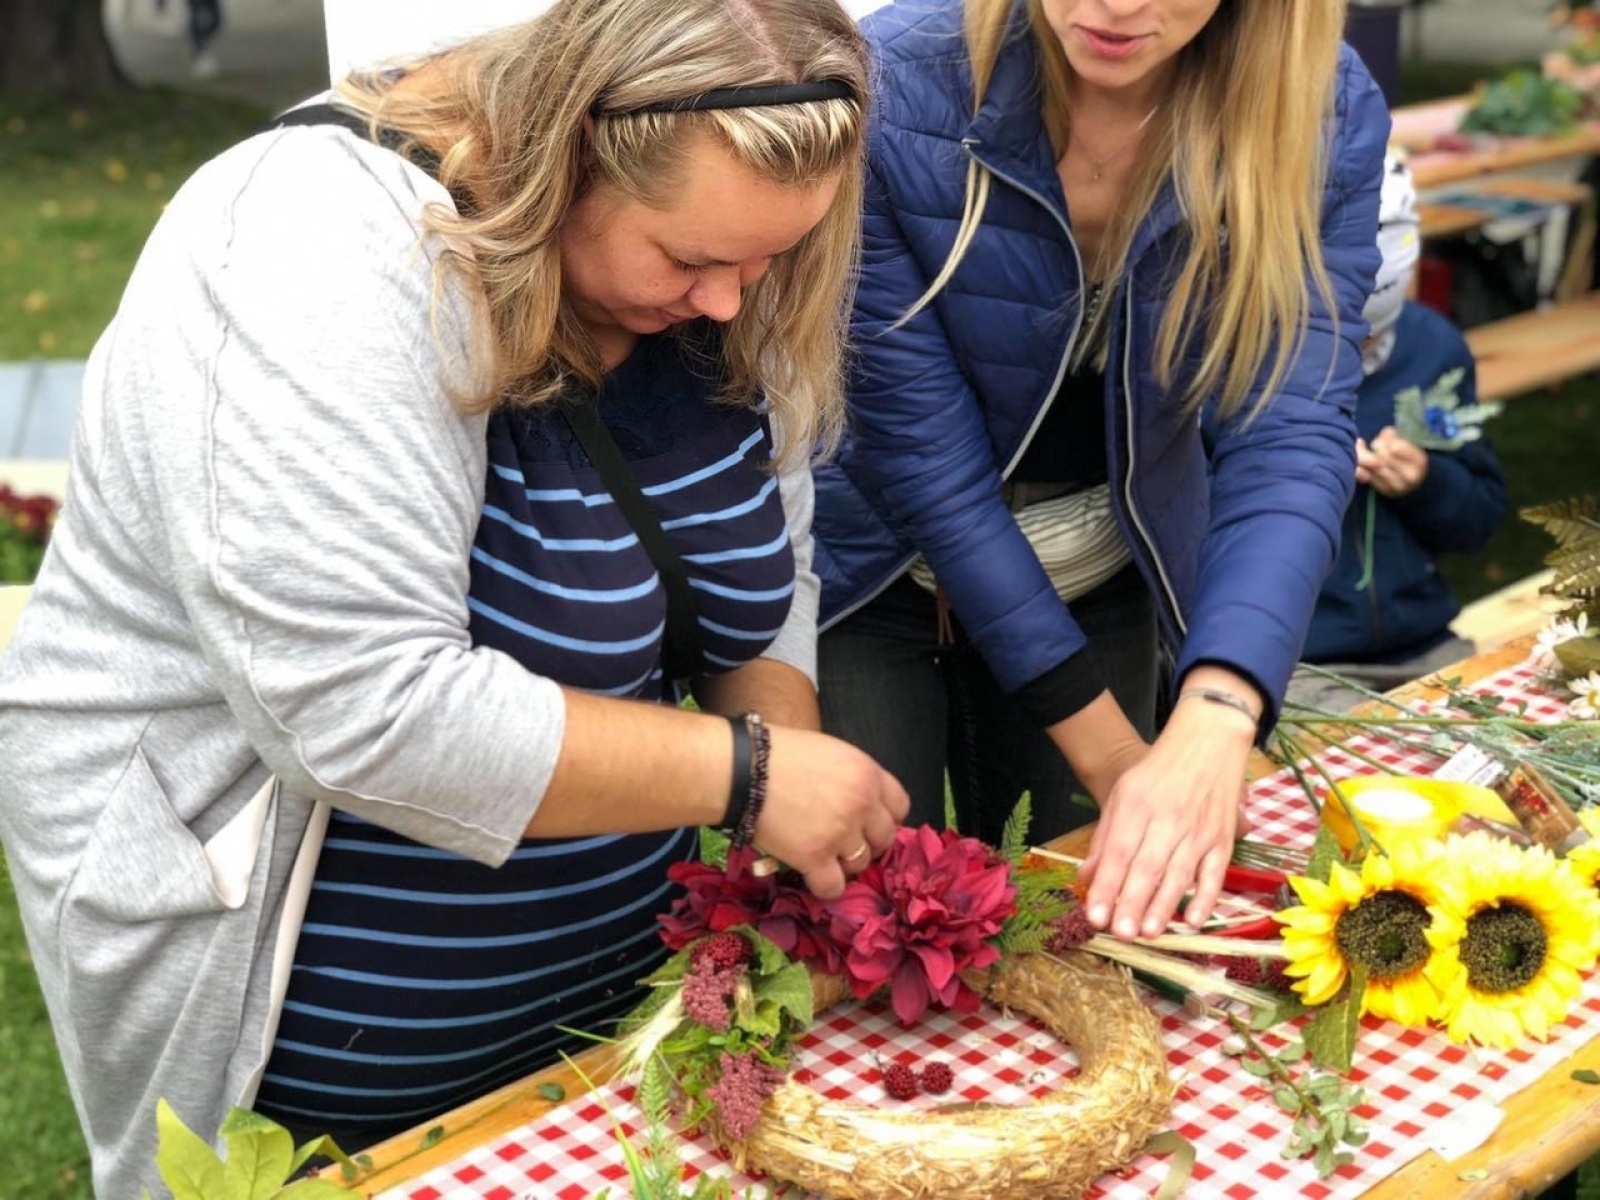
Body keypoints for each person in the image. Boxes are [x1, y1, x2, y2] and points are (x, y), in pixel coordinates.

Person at [0, 1, 907, 1194]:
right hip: (308, 1030)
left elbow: (761, 570)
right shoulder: (303, 250)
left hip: (591, 997)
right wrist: (747, 778)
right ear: (562, 156)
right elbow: (357, 708)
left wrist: (771, 791)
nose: (732, 303)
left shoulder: (726, 276)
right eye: (689, 261)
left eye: (770, 260)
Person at [811, 0, 1389, 941]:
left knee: (1086, 934)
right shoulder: (890, 80)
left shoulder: (1318, 108)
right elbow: (924, 463)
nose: (1118, 6)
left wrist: (1216, 712)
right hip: (867, 573)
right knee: (863, 937)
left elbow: (1291, 431)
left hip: (1102, 571)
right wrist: (1120, 753)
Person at [1291, 154, 1508, 713]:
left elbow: (1478, 521)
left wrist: (1427, 482)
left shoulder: (1433, 347)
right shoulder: (1240, 371)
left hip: (1426, 644)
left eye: (1374, 345)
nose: (1362, 357)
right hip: (1299, 662)